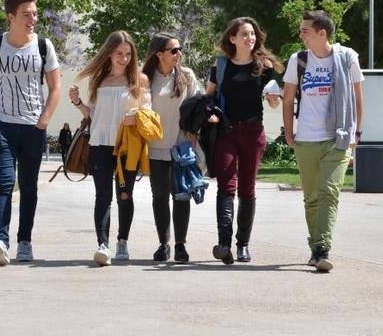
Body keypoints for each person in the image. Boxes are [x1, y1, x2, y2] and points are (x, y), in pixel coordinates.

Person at [0, 0, 61, 266]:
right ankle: (1, 240)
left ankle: (25, 241)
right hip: (1, 127)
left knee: (28, 187)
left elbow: (55, 87)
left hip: (33, 128)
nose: (33, 19)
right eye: (26, 14)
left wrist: (43, 122)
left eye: (35, 13)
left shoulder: (44, 47)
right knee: (3, 184)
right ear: (11, 17)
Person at [282, 9, 364, 272]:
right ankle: (315, 247)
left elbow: (357, 97)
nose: (301, 35)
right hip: (306, 138)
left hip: (337, 136)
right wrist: (288, 129)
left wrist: (356, 132)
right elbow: (288, 97)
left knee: (330, 191)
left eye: (305, 30)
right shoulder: (299, 59)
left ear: (322, 33)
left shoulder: (347, 57)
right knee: (312, 197)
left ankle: (323, 248)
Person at [69, 30, 151, 266]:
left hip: (127, 145)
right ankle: (102, 245)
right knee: (103, 196)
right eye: (118, 54)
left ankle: (122, 242)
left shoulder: (140, 80)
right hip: (100, 144)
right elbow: (92, 115)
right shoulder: (99, 80)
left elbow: (149, 111)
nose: (123, 58)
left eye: (127, 54)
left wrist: (137, 117)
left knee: (125, 195)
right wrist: (77, 102)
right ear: (109, 54)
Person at [206, 17, 283, 264]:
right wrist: (210, 113)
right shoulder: (220, 66)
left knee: (247, 188)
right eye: (244, 34)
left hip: (252, 131)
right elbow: (208, 98)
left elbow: (274, 99)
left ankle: (243, 245)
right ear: (232, 38)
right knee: (226, 186)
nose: (250, 38)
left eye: (252, 34)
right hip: (226, 132)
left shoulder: (265, 66)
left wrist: (274, 99)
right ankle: (224, 243)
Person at [142, 32, 202, 263]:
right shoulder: (146, 77)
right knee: (159, 197)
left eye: (180, 49)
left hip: (181, 147)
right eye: (174, 50)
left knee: (181, 196)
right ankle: (163, 244)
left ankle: (180, 246)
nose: (179, 54)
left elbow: (197, 106)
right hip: (155, 147)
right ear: (159, 54)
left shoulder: (186, 75)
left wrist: (194, 135)